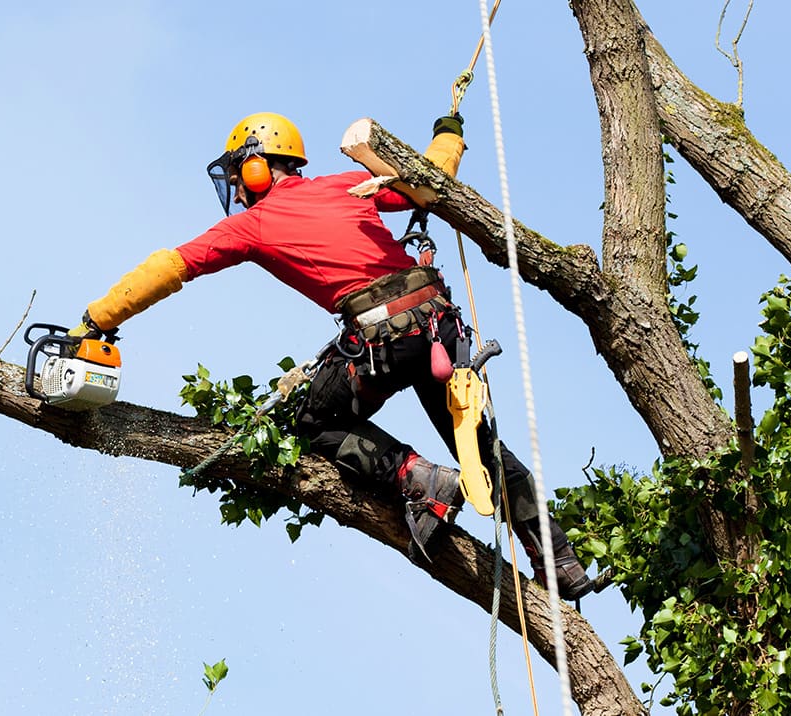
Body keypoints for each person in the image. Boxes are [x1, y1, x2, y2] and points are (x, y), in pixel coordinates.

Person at [74, 112, 599, 597]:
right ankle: (560, 561)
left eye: (238, 175)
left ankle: (418, 478)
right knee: (480, 447)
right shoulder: (347, 184)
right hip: (435, 328)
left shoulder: (252, 225)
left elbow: (171, 267)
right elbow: (432, 180)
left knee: (311, 421)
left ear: (257, 166)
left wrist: (98, 318)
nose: (236, 188)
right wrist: (448, 132)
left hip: (383, 340)